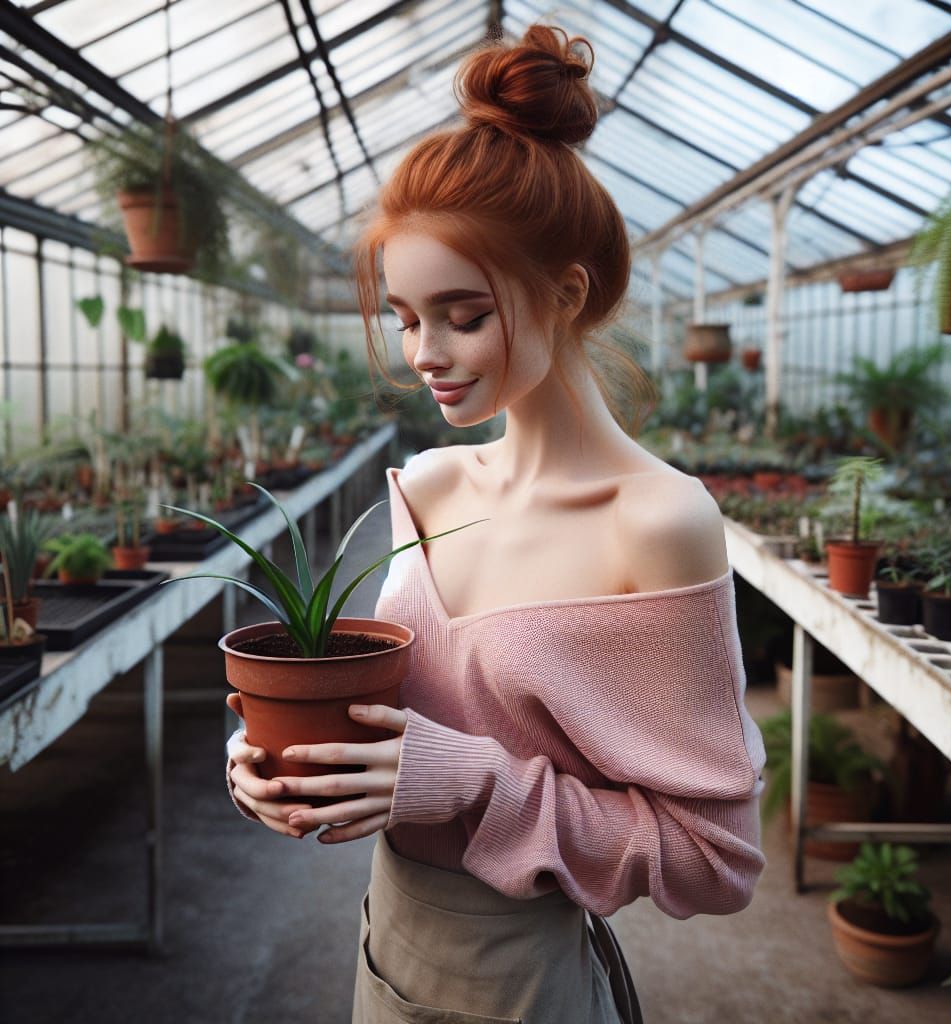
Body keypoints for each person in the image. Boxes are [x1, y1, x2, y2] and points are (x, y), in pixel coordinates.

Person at [225, 23, 767, 1024]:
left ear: (563, 294)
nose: (424, 350)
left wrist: (461, 780)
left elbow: (713, 856)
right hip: (384, 945)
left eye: (462, 313)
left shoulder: (656, 521)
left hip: (520, 977)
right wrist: (271, 754)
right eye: (404, 314)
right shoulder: (427, 486)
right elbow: (386, 724)